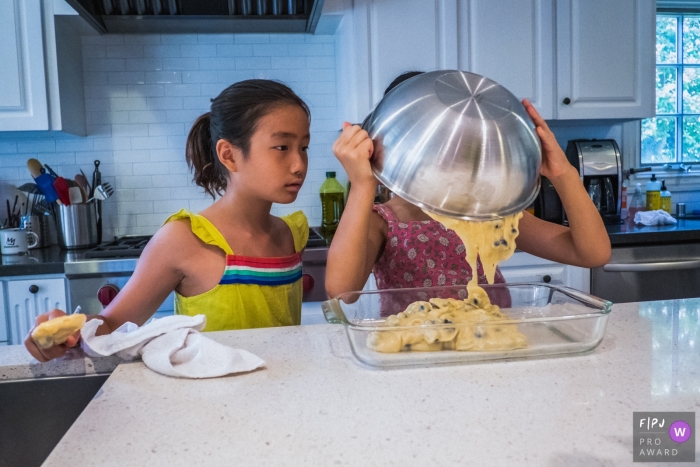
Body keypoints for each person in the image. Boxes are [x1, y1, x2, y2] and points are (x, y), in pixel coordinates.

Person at [26, 79, 312, 362]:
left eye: (304, 148)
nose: (299, 165)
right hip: (211, 405)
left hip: (282, 398)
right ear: (229, 155)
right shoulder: (183, 239)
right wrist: (70, 332)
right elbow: (111, 325)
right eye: (282, 147)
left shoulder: (290, 234)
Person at [326, 72, 611, 299]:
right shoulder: (383, 223)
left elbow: (592, 253)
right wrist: (362, 184)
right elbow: (341, 291)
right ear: (387, 149)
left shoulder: (488, 214)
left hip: (492, 353)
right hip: (415, 362)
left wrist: (563, 174)